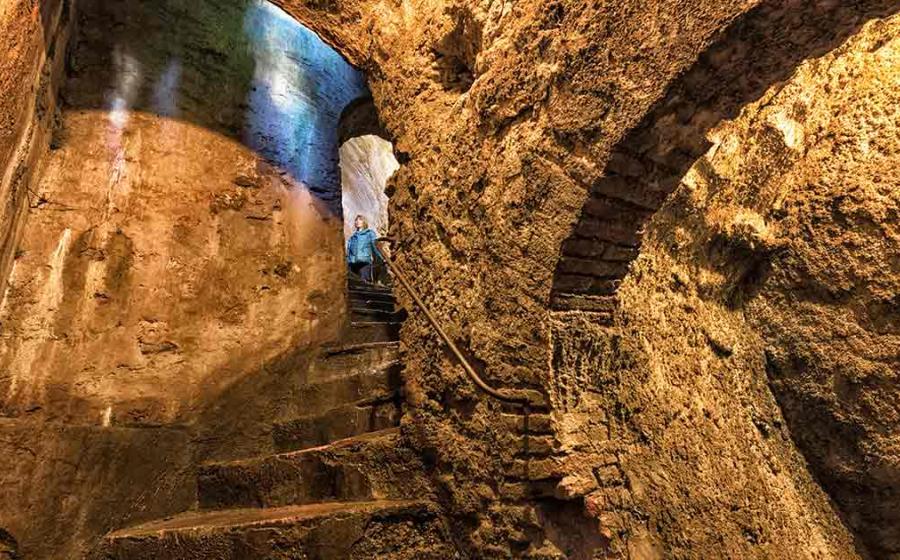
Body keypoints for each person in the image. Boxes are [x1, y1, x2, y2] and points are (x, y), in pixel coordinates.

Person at [346, 214, 380, 283]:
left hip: (364, 263)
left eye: (360, 219)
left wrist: (380, 259)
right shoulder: (352, 238)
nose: (357, 221)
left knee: (365, 283)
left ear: (364, 222)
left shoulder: (369, 233)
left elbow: (375, 247)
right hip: (353, 265)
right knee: (353, 284)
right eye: (356, 220)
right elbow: (348, 252)